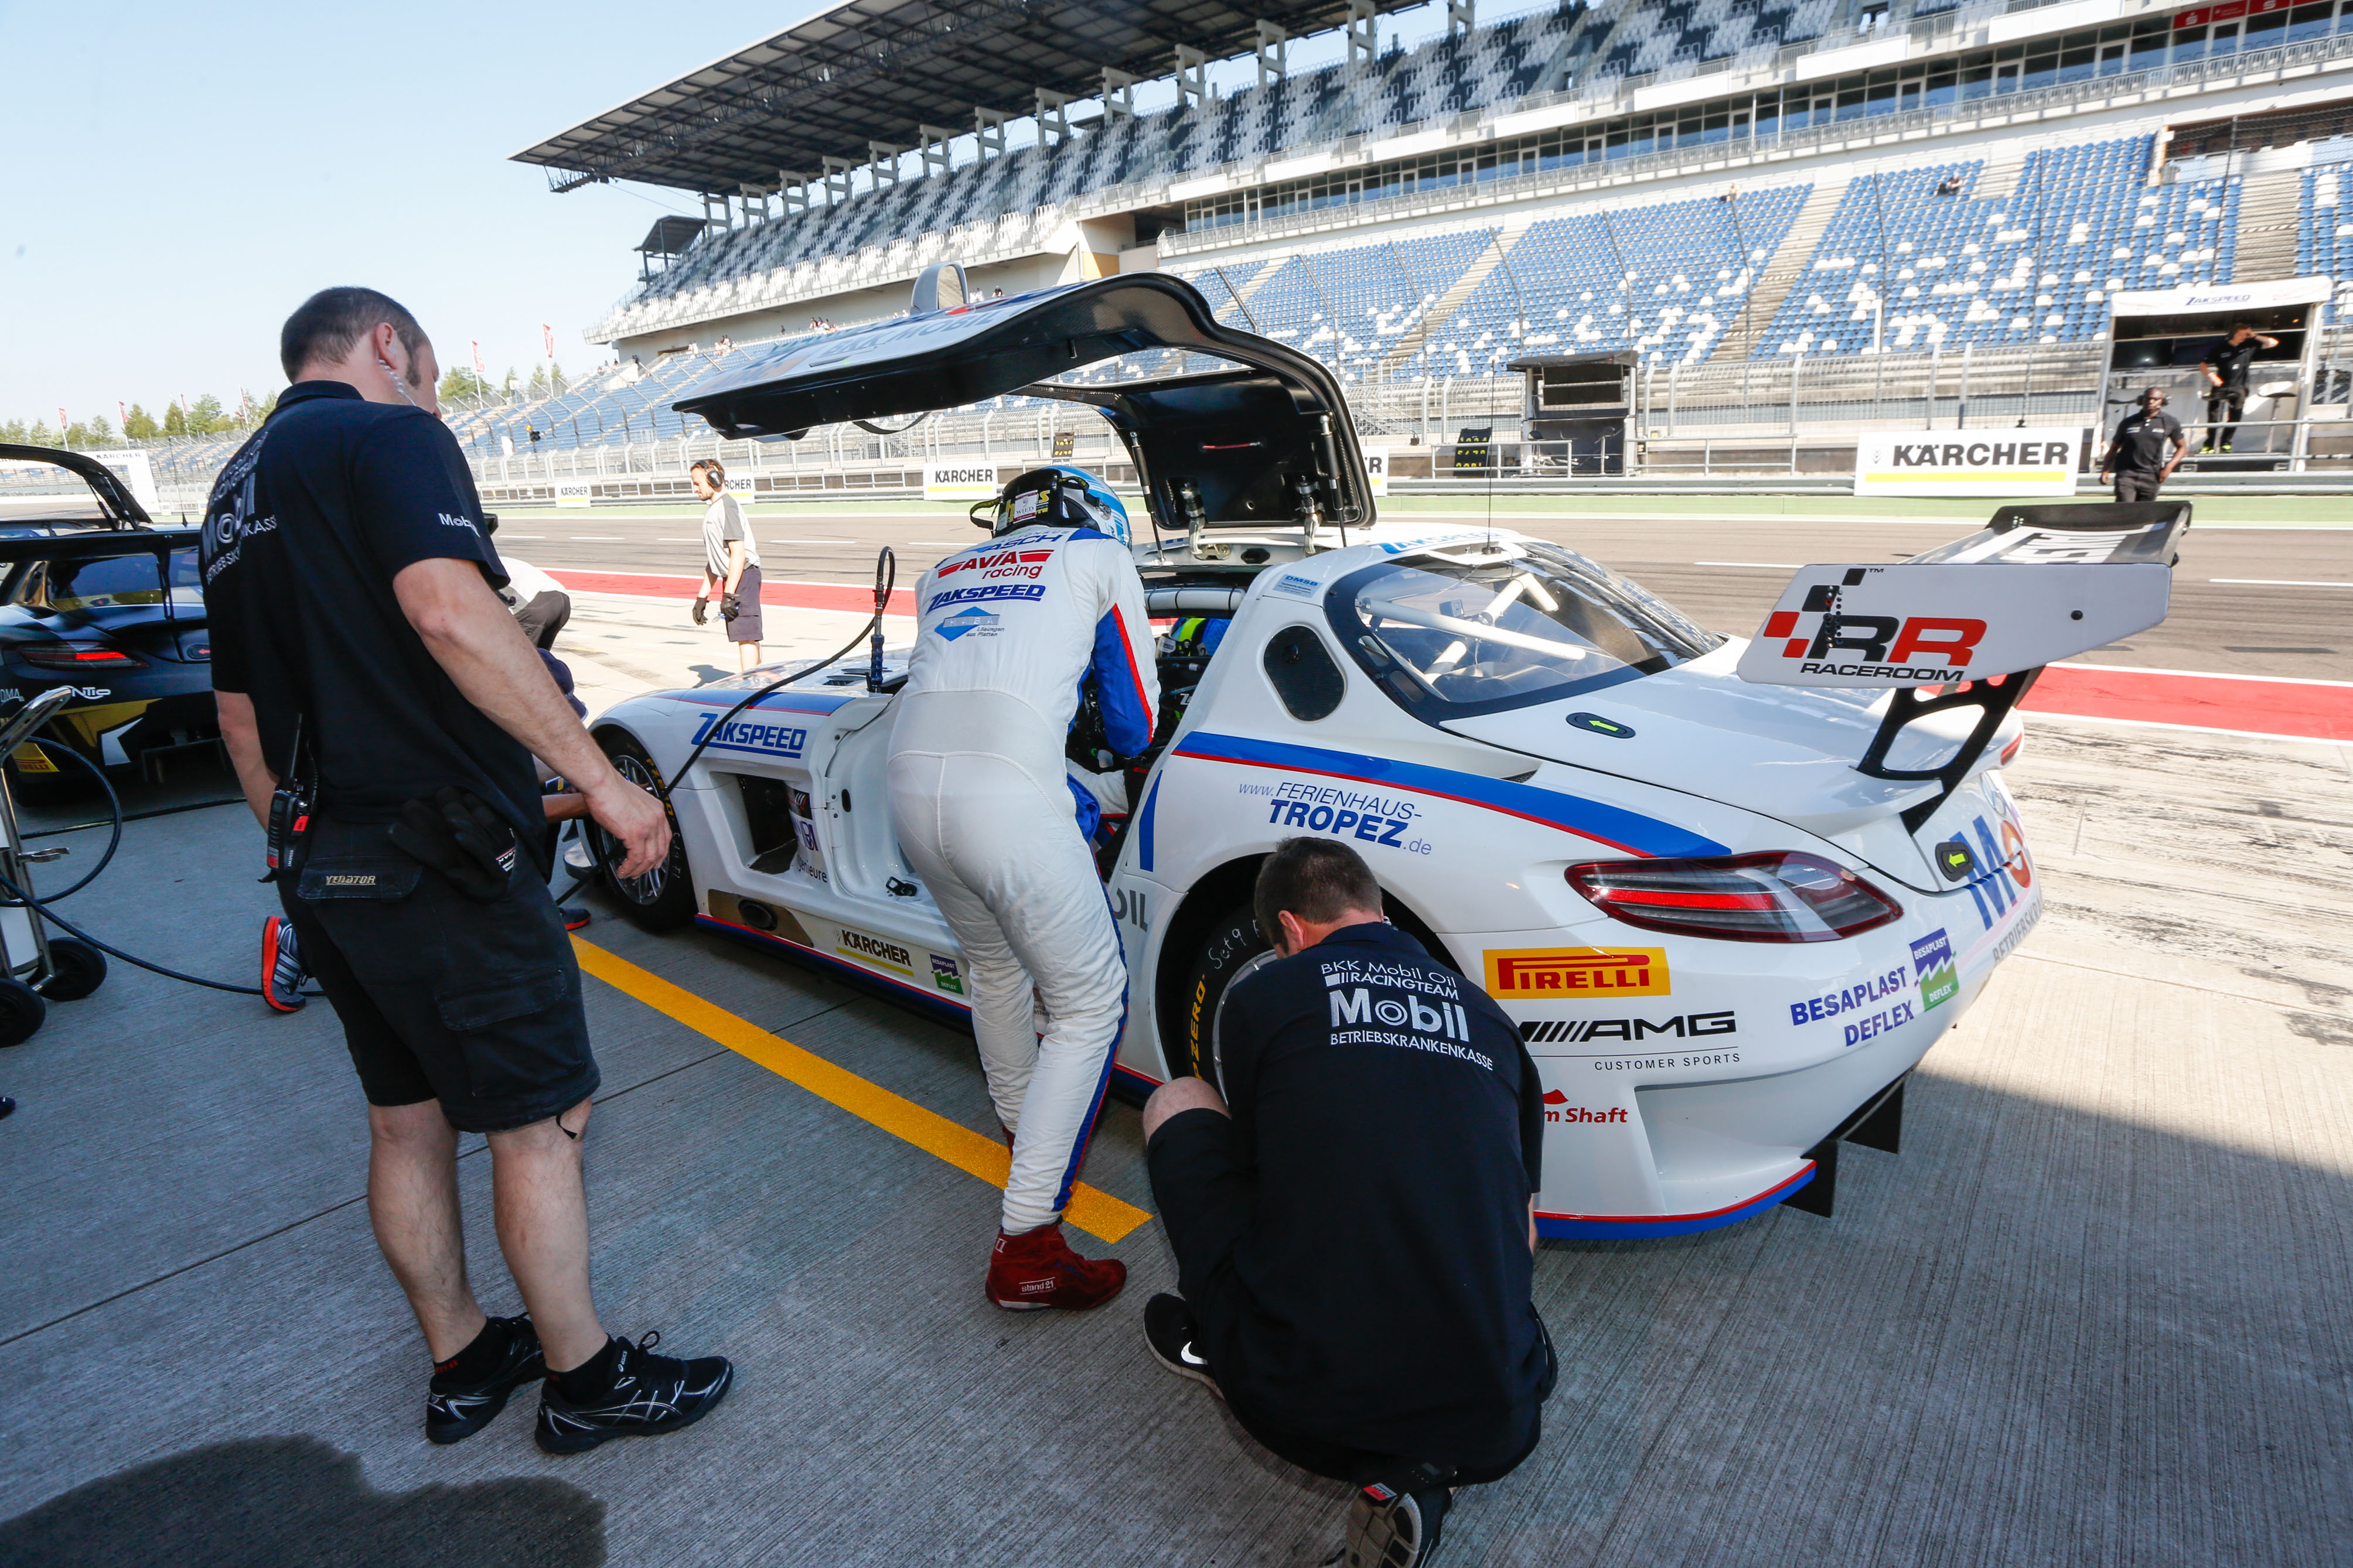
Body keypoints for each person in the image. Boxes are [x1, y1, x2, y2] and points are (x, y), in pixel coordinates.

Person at [206, 286, 732, 1453]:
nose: (435, 401)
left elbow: (239, 720)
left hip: (321, 860)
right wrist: (601, 781)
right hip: (438, 862)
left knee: (406, 1123)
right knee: (542, 1119)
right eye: (434, 377)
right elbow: (448, 612)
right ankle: (586, 1380)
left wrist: (302, 860)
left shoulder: (233, 490)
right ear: (389, 345)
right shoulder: (387, 433)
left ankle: (463, 1359)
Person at [1139, 838, 1553, 1568]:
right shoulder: (1490, 1019)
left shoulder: (1264, 994)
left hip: (1302, 1406)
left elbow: (1266, 1183)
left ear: (1290, 930)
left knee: (1177, 1101)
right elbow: (1519, 1229)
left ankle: (1222, 1341)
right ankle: (1422, 1469)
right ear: (1377, 910)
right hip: (1502, 1413)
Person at [888, 465, 1157, 1311]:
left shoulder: (942, 572)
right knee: (1090, 1002)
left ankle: (1026, 1134)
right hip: (1003, 797)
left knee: (995, 970)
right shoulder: (1097, 556)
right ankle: (1029, 1243)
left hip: (909, 788)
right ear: (1093, 515)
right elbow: (1134, 724)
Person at [690, 458, 762, 671]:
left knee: (746, 636)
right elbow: (715, 559)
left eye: (698, 483)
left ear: (714, 479)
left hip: (743, 576)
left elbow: (738, 552)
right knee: (747, 636)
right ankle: (759, 679)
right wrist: (702, 597)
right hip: (734, 578)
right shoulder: (714, 510)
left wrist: (729, 594)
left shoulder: (727, 506)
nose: (695, 489)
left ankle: (750, 683)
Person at [2196, 321, 2279, 453]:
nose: (2244, 337)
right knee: (2214, 416)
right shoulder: (2220, 348)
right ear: (2233, 334)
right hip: (2221, 386)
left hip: (2239, 386)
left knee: (2235, 416)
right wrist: (2212, 376)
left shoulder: (2250, 345)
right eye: (2242, 334)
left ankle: (2225, 444)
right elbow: (2203, 365)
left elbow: (2273, 343)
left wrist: (2254, 336)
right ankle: (2209, 445)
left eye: (2246, 334)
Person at [2098, 386, 2186, 502]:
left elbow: (2182, 448)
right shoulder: (2128, 422)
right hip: (2127, 475)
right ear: (2141, 400)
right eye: (2148, 399)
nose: (2151, 402)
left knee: (2144, 511)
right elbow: (2114, 448)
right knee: (2125, 509)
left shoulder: (2170, 422)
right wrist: (2105, 470)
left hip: (2152, 476)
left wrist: (2169, 468)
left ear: (2163, 402)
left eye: (2156, 399)